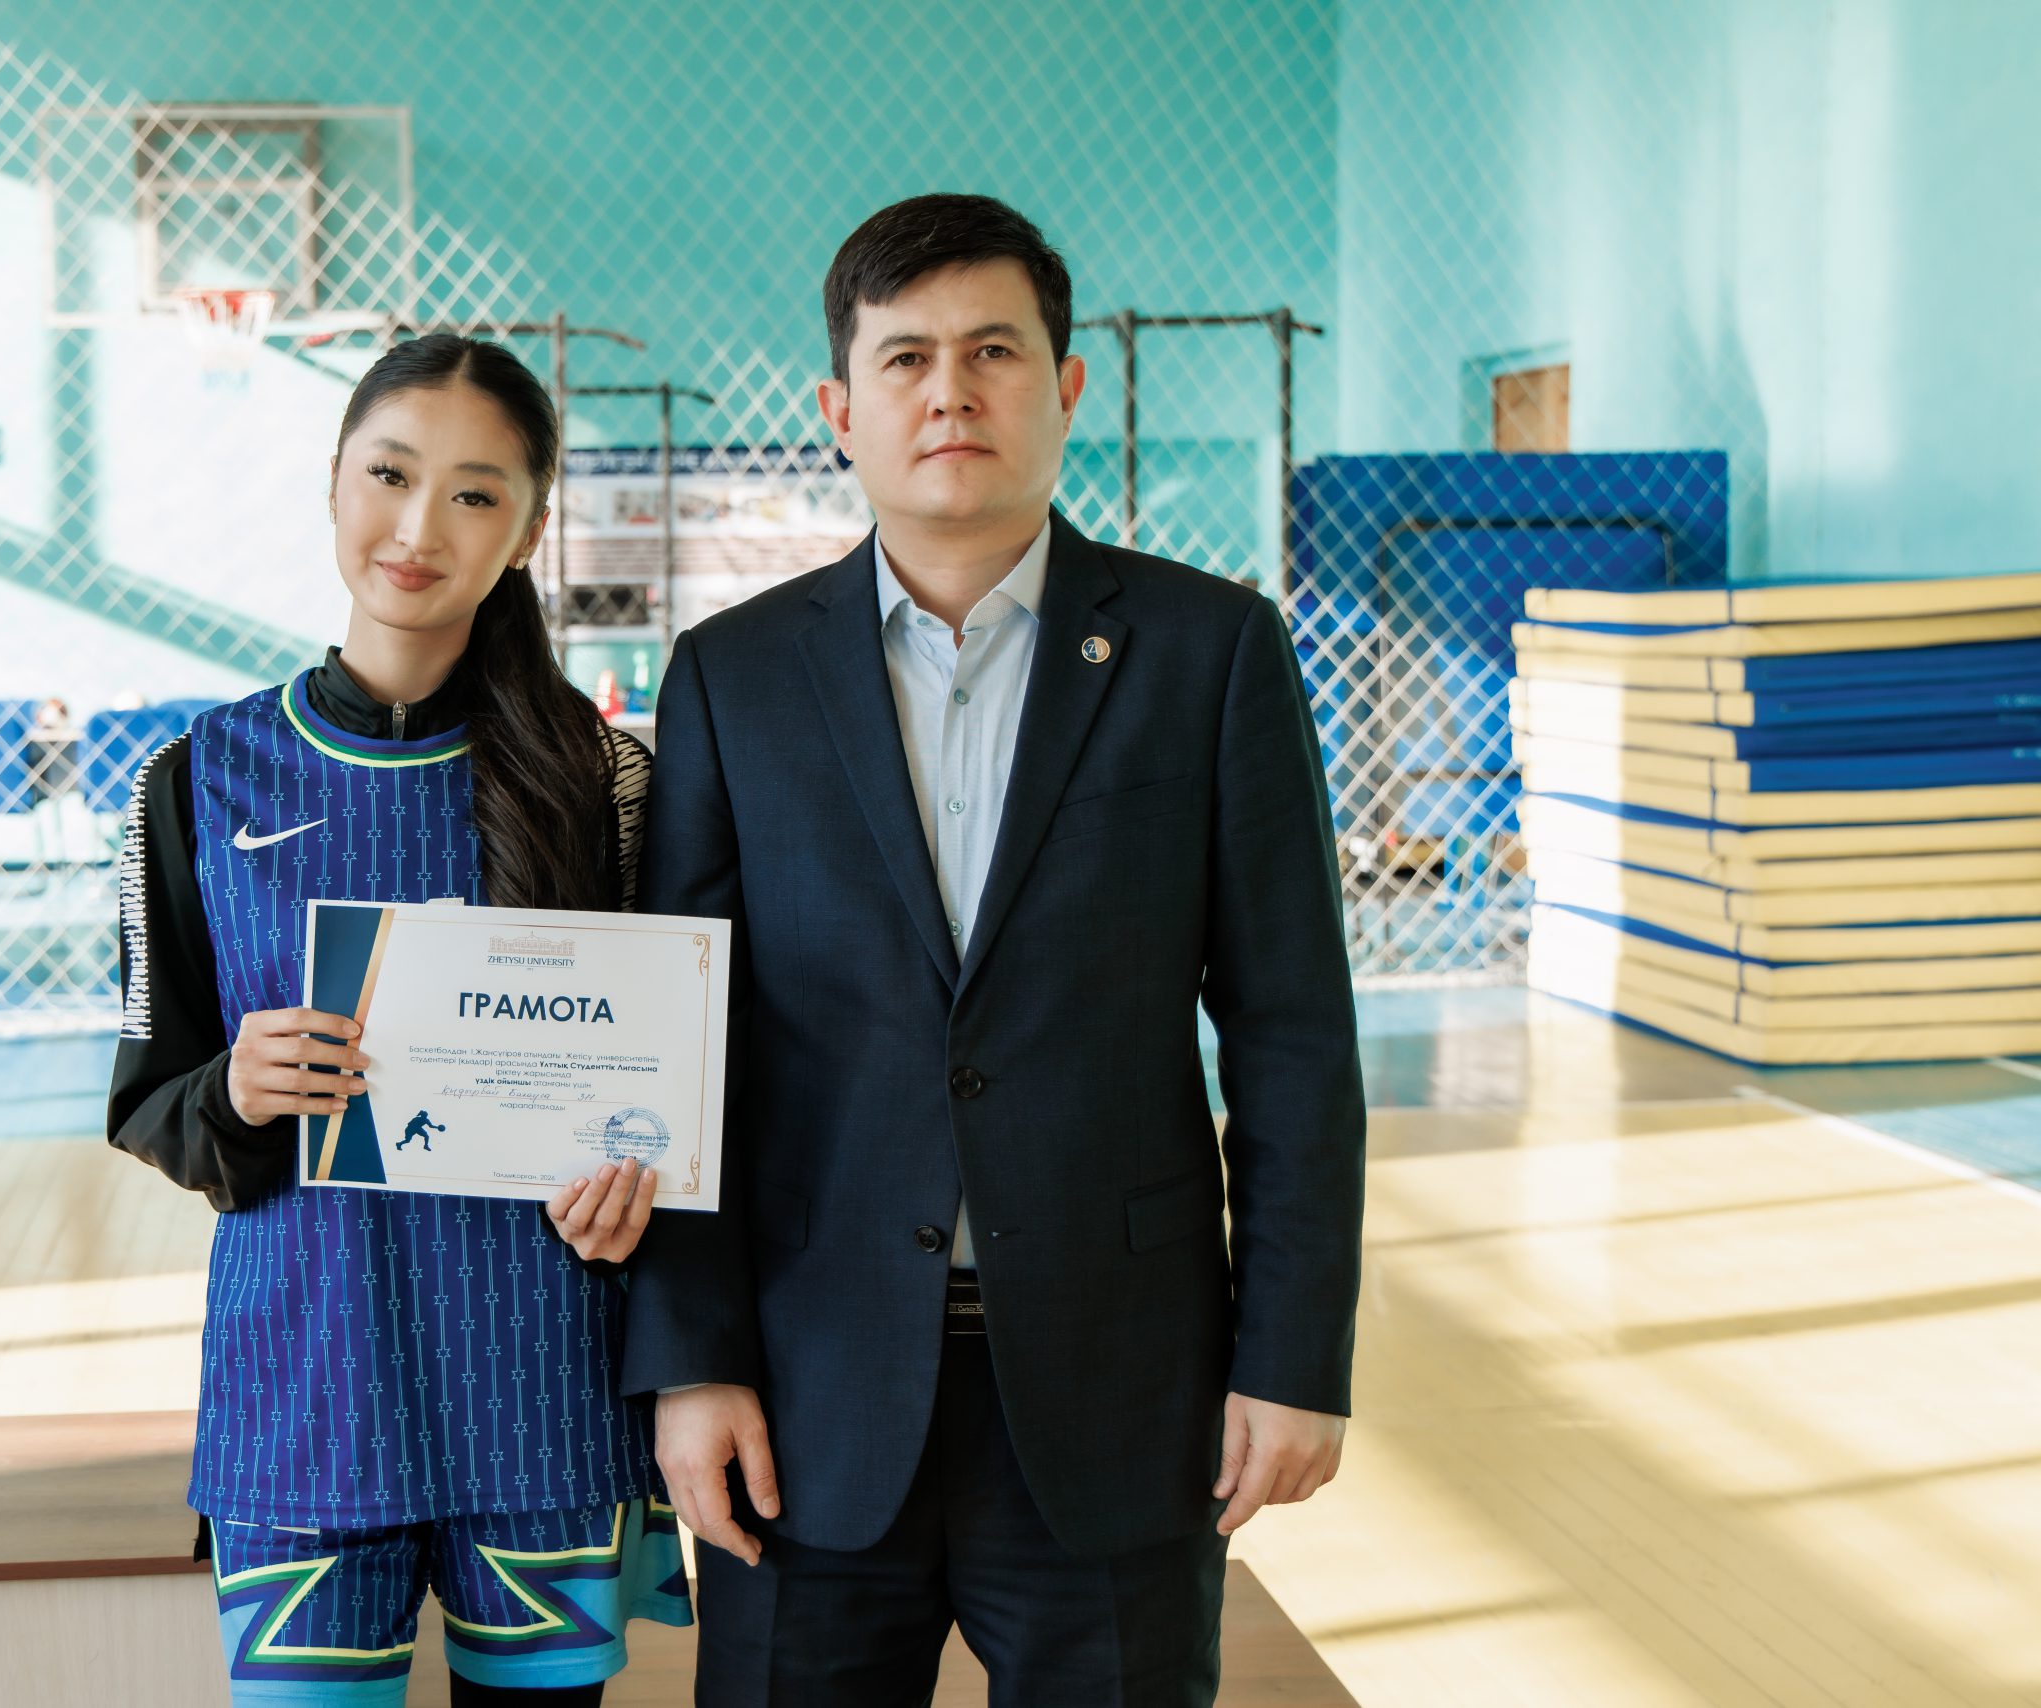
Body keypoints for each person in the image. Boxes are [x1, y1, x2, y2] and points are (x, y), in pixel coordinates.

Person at [621, 194, 1368, 1705]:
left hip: (1120, 1389)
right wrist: (692, 1360)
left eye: (994, 351)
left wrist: (1293, 1355)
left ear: (1065, 385)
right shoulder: (731, 679)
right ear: (840, 408)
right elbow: (674, 1055)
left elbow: (1292, 1030)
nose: (949, 392)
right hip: (808, 1393)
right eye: (904, 358)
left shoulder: (1212, 652)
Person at [108, 333, 686, 1707]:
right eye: (390, 475)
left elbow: (675, 1089)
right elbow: (148, 1103)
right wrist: (235, 1091)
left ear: (528, 532)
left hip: (544, 1385)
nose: (421, 527)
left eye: (476, 494)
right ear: (333, 483)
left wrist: (643, 1186)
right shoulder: (195, 777)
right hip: (304, 1393)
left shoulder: (605, 779)